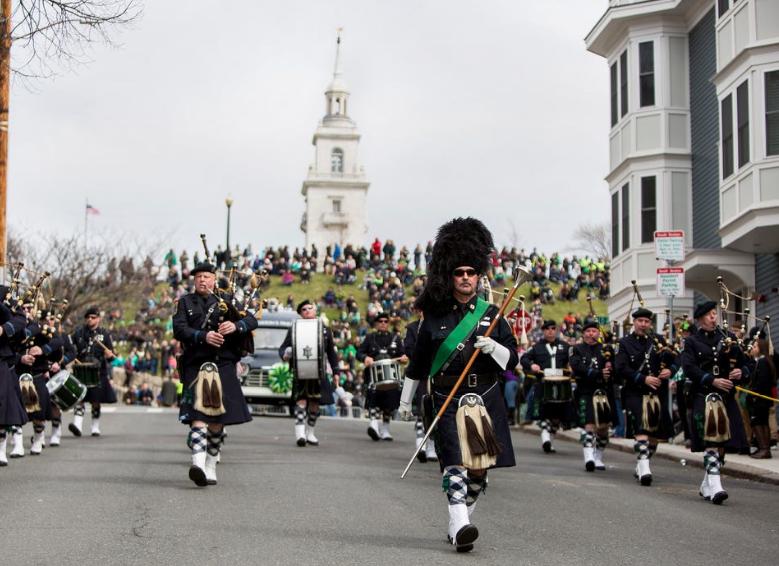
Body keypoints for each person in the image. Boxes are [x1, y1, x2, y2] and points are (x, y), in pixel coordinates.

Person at [400, 217, 517, 553]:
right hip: (447, 394)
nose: (465, 278)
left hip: (485, 395)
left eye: (471, 272)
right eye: (459, 272)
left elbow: (515, 360)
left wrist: (494, 347)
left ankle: (462, 517)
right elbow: (420, 362)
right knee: (454, 461)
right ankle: (459, 521)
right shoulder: (433, 317)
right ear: (450, 276)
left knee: (479, 473)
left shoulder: (494, 314)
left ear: (479, 276)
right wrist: (406, 401)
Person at [173, 259, 258, 487]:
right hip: (197, 364)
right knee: (198, 417)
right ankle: (198, 464)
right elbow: (179, 329)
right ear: (194, 280)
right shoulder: (184, 303)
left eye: (206, 276)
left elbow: (251, 318)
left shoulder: (227, 300)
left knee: (218, 422)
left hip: (223, 365)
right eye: (198, 276)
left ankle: (210, 464)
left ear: (214, 279)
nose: (202, 280)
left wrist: (236, 326)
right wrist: (203, 336)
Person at [680, 301, 750, 503]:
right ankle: (717, 485)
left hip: (726, 398)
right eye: (710, 314)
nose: (713, 317)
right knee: (711, 441)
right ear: (701, 318)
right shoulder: (692, 342)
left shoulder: (729, 338)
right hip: (704, 395)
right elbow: (689, 368)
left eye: (714, 314)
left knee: (722, 445)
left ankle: (707, 484)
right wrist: (712, 380)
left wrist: (741, 372)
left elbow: (747, 364)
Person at [615, 307, 676, 487]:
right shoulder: (624, 343)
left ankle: (642, 464)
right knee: (641, 430)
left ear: (650, 323)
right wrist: (642, 378)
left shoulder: (658, 340)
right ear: (634, 322)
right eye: (640, 321)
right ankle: (644, 467)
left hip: (657, 393)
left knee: (654, 435)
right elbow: (621, 367)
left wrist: (670, 370)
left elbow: (677, 359)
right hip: (635, 391)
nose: (643, 324)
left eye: (647, 321)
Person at [279, 300, 339, 447]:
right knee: (301, 401)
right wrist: (286, 353)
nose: (306, 311)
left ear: (315, 310)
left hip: (319, 371)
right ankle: (300, 434)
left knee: (314, 404)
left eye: (309, 308)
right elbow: (283, 348)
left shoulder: (325, 329)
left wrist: (336, 372)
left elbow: (331, 353)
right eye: (303, 309)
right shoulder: (294, 328)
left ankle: (310, 433)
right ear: (300, 314)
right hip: (300, 370)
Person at [520, 320, 574, 454]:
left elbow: (574, 360)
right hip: (543, 383)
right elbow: (524, 359)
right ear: (543, 331)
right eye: (547, 329)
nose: (550, 331)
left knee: (557, 416)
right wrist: (532, 365)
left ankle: (550, 441)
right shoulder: (537, 347)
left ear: (556, 330)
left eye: (553, 328)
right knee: (544, 413)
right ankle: (546, 439)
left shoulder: (565, 346)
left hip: (561, 385)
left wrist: (572, 367)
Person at [569, 321, 615, 471]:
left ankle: (598, 456)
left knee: (603, 428)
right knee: (589, 425)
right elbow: (577, 367)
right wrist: (597, 373)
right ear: (583, 334)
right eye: (588, 331)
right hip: (586, 391)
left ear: (598, 333)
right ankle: (588, 457)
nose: (591, 334)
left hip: (604, 392)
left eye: (594, 331)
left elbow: (616, 369)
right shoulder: (576, 349)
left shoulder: (606, 350)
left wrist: (610, 367)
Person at [67, 306, 117, 437]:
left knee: (96, 400)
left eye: (93, 317)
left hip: (98, 371)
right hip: (81, 369)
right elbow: (70, 347)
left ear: (98, 319)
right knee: (80, 397)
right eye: (88, 317)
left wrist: (109, 355)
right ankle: (77, 425)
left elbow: (112, 357)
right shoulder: (78, 333)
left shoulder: (104, 334)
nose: (90, 319)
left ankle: (95, 426)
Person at [358, 312, 407, 441]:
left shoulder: (395, 338)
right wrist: (365, 357)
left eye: (386, 321)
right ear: (376, 324)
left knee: (389, 403)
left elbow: (403, 355)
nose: (383, 323)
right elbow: (359, 353)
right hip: (373, 376)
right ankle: (373, 424)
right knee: (373, 401)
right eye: (381, 321)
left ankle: (385, 429)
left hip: (391, 376)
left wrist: (403, 358)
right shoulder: (370, 338)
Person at [0, 287, 30, 465]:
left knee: (1, 403)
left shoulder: (4, 294)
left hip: (1, 356)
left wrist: (3, 329)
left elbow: (20, 319)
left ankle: (2, 448)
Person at [404, 313, 437, 462]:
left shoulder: (439, 323)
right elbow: (409, 348)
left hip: (437, 373)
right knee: (422, 409)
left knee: (435, 411)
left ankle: (431, 446)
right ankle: (420, 443)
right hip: (420, 374)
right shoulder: (412, 327)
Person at [745, 327, 776, 459]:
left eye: (756, 346)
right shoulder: (763, 361)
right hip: (762, 399)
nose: (753, 348)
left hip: (760, 399)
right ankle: (764, 448)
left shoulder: (762, 362)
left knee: (758, 422)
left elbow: (761, 383)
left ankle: (764, 448)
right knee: (762, 422)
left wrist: (754, 395)